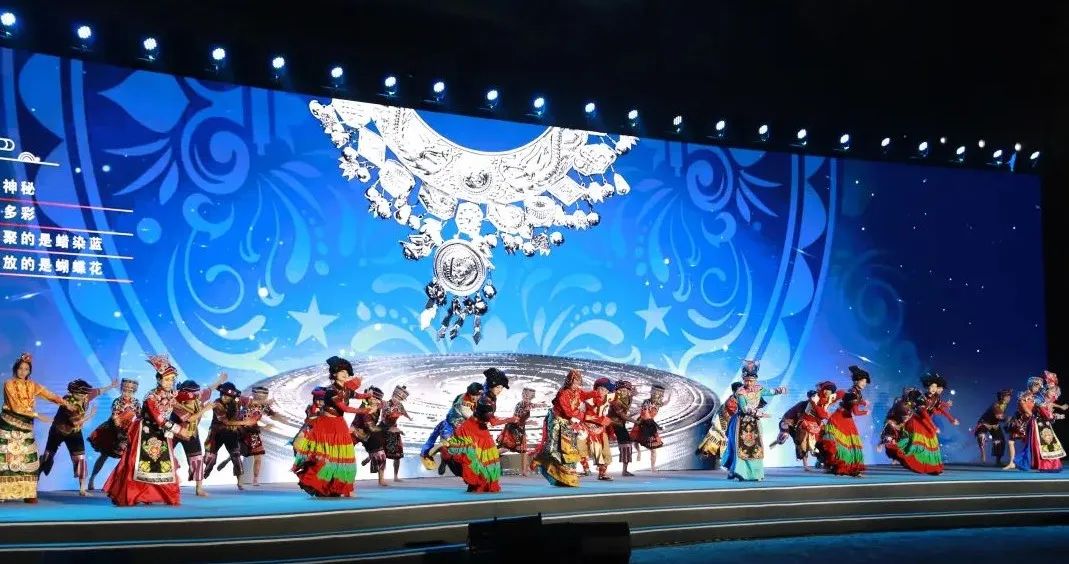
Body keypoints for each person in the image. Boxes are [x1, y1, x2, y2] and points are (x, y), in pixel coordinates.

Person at [104, 355, 188, 506]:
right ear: (159, 380)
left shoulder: (170, 395)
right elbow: (159, 419)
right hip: (145, 432)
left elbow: (180, 412)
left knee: (163, 466)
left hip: (162, 434)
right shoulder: (151, 397)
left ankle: (156, 495)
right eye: (167, 379)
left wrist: (190, 418)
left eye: (172, 380)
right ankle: (133, 495)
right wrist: (178, 429)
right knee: (137, 465)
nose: (170, 383)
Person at [0, 352, 72, 503]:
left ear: (29, 371)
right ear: (16, 369)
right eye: (20, 368)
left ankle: (28, 492)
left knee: (29, 457)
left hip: (26, 426)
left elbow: (49, 395)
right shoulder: (8, 384)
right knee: (6, 457)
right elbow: (15, 407)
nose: (23, 372)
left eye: (26, 369)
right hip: (9, 424)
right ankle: (3, 492)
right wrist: (37, 415)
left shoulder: (32, 385)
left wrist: (66, 403)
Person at [292, 356, 368, 497]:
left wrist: (369, 395)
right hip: (326, 426)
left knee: (344, 457)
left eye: (346, 372)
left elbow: (358, 395)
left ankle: (343, 488)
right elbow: (344, 408)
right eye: (341, 372)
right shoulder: (331, 391)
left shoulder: (346, 390)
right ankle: (322, 486)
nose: (345, 374)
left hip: (339, 425)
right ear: (334, 374)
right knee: (327, 457)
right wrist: (365, 410)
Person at [438, 367, 517, 492]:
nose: (500, 390)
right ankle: (449, 459)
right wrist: (510, 419)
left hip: (481, 429)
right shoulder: (485, 399)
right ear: (490, 386)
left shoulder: (491, 396)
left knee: (486, 457)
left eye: (501, 388)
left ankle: (481, 483)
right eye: (498, 387)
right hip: (471, 429)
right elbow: (493, 422)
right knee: (474, 457)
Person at [39, 378, 117, 495]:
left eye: (84, 394)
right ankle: (35, 477)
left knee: (80, 458)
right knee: (48, 456)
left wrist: (111, 386)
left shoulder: (86, 395)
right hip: (58, 431)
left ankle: (82, 489)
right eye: (80, 394)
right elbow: (76, 422)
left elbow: (98, 391)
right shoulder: (68, 401)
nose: (83, 396)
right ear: (73, 393)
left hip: (74, 432)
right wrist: (91, 414)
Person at [722, 360, 786, 481]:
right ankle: (740, 472)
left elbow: (769, 392)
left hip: (754, 423)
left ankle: (755, 473)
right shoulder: (740, 392)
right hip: (742, 422)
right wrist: (758, 413)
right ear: (743, 380)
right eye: (746, 380)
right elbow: (744, 408)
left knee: (755, 448)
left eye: (751, 380)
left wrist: (780, 390)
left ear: (755, 380)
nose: (749, 383)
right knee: (742, 448)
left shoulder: (759, 388)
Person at [530, 369, 595, 487]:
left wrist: (597, 393)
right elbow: (568, 412)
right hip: (556, 421)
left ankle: (564, 478)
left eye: (578, 383)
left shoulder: (577, 391)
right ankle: (540, 460)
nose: (576, 385)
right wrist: (582, 414)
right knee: (553, 448)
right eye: (574, 382)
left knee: (569, 450)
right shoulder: (563, 393)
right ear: (569, 381)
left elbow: (585, 395)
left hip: (568, 423)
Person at [888, 372, 958, 475]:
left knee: (932, 442)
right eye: (931, 386)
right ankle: (900, 455)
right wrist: (933, 427)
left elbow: (940, 409)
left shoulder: (936, 398)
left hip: (927, 421)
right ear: (927, 387)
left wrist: (951, 419)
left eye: (935, 387)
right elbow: (924, 414)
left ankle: (933, 468)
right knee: (917, 444)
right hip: (918, 421)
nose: (933, 389)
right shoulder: (922, 398)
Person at [170, 375, 226, 496]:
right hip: (174, 432)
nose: (195, 396)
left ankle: (199, 488)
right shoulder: (177, 403)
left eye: (196, 394)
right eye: (192, 394)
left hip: (191, 433)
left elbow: (210, 388)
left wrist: (220, 380)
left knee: (197, 459)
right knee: (164, 455)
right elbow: (190, 418)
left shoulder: (199, 395)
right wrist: (205, 409)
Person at [216, 386, 284, 486]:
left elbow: (273, 415)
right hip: (242, 431)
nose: (261, 398)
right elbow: (236, 397)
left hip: (251, 432)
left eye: (263, 396)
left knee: (256, 456)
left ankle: (255, 479)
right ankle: (230, 461)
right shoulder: (247, 401)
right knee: (243, 453)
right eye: (259, 396)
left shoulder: (263, 406)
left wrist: (279, 415)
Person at [816, 365, 871, 477]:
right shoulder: (853, 392)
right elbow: (856, 412)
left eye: (865, 381)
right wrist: (866, 412)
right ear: (856, 381)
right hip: (840, 418)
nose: (864, 384)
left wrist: (863, 402)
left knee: (849, 445)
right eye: (862, 381)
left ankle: (848, 468)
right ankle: (841, 467)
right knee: (840, 445)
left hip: (846, 418)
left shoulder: (856, 392)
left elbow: (855, 402)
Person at [88, 378, 141, 491]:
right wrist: (120, 434)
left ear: (134, 391)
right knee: (104, 455)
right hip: (113, 431)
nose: (127, 392)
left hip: (129, 431)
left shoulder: (136, 402)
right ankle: (92, 479)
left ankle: (123, 484)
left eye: (130, 390)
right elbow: (115, 417)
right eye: (125, 389)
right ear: (122, 389)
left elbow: (139, 417)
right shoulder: (117, 401)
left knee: (129, 459)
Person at [202, 382, 255, 489]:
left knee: (236, 457)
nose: (224, 397)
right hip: (216, 434)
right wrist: (245, 422)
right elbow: (226, 422)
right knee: (211, 459)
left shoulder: (238, 400)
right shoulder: (217, 404)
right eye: (223, 395)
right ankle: (204, 475)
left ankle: (239, 482)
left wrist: (262, 402)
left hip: (231, 433)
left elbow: (251, 402)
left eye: (228, 396)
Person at [1012, 371, 1066, 472]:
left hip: (1042, 423)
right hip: (1037, 423)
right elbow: (1045, 413)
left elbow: (1046, 411)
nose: (1038, 388)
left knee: (1045, 443)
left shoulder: (1038, 398)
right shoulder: (1035, 398)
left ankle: (1045, 464)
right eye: (1037, 386)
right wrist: (1055, 416)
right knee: (1040, 444)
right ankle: (1044, 465)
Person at [421, 382, 482, 470]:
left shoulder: (463, 396)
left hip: (455, 425)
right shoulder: (464, 404)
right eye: (474, 395)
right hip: (451, 427)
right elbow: (471, 417)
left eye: (478, 395)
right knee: (447, 444)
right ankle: (428, 455)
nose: (476, 397)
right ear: (469, 393)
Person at [697, 382, 743, 470]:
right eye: (740, 390)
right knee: (719, 442)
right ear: (734, 391)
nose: (742, 391)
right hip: (725, 423)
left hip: (732, 423)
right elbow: (735, 413)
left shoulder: (740, 399)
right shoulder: (730, 402)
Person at [795, 381, 838, 471]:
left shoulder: (827, 399)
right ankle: (806, 465)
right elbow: (821, 414)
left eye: (827, 390)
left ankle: (822, 461)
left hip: (817, 424)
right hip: (807, 424)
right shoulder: (814, 398)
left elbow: (823, 412)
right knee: (805, 445)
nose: (825, 391)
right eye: (823, 389)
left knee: (821, 444)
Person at [497, 387, 539, 477]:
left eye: (528, 396)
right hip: (513, 428)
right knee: (506, 448)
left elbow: (533, 405)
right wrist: (530, 422)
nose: (526, 397)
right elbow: (517, 420)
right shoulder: (520, 406)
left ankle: (524, 471)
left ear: (532, 397)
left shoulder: (527, 404)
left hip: (520, 429)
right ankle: (488, 456)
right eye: (525, 395)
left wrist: (541, 405)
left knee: (523, 450)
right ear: (522, 395)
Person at [581, 378, 616, 481]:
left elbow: (605, 417)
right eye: (599, 389)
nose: (601, 391)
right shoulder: (589, 401)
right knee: (584, 450)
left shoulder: (608, 402)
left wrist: (609, 429)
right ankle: (586, 469)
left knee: (605, 452)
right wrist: (601, 420)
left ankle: (602, 473)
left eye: (604, 390)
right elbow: (585, 416)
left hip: (601, 430)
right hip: (589, 429)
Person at [352, 386, 388, 486]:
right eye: (373, 398)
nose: (376, 401)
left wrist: (380, 405)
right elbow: (371, 428)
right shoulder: (364, 409)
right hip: (356, 432)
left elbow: (385, 403)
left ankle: (381, 479)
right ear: (368, 397)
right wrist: (388, 428)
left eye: (378, 399)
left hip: (369, 433)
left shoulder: (378, 404)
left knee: (381, 454)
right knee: (346, 456)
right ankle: (348, 481)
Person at [630, 384, 667, 472]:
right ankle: (639, 452)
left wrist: (669, 396)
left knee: (653, 448)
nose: (657, 396)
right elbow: (645, 415)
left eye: (660, 395)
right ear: (652, 393)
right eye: (655, 394)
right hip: (642, 422)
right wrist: (657, 426)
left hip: (651, 424)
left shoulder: (658, 403)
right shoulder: (646, 402)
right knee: (636, 440)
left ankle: (653, 467)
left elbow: (664, 403)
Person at [382, 385, 412, 482]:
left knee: (397, 456)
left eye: (399, 399)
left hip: (395, 431)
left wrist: (409, 417)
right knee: (382, 454)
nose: (397, 399)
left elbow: (404, 412)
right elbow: (383, 418)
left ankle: (395, 476)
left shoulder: (400, 405)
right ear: (393, 395)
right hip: (385, 430)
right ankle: (381, 477)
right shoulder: (386, 404)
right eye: (396, 397)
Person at [974, 389, 1013, 465]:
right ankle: (983, 457)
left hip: (994, 424)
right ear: (1002, 397)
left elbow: (1001, 417)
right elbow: (999, 416)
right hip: (984, 423)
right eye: (1007, 396)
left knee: (1000, 440)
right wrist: (1008, 419)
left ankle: (998, 460)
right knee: (981, 437)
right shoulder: (996, 405)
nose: (1009, 398)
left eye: (1009, 396)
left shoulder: (1004, 404)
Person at [608, 380, 637, 476]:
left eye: (627, 390)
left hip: (619, 424)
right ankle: (624, 470)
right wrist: (637, 422)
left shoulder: (625, 399)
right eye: (622, 390)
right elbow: (623, 416)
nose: (625, 392)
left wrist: (632, 396)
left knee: (627, 445)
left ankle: (624, 470)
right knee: (626, 444)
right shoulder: (615, 401)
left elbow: (626, 408)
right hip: (615, 424)